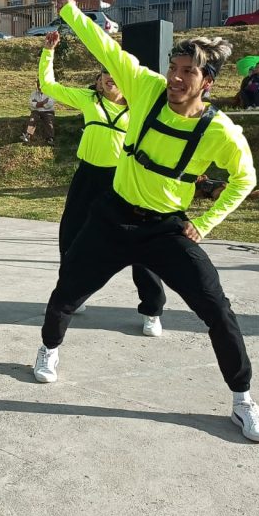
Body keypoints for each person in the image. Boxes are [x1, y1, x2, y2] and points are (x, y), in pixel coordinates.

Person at [33, 0, 259, 444]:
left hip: (165, 227)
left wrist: (206, 222)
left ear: (208, 82)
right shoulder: (144, 89)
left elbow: (245, 179)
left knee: (216, 308)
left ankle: (243, 400)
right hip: (111, 215)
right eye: (174, 68)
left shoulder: (221, 131)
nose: (177, 79)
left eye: (188, 72)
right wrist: (69, 12)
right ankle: (48, 350)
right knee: (67, 290)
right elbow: (105, 48)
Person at [38, 30, 166, 336]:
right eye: (105, 73)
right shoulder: (88, 99)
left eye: (116, 73)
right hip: (88, 177)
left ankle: (152, 310)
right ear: (98, 80)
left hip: (125, 181)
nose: (110, 78)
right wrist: (48, 52)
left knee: (141, 244)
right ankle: (72, 294)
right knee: (71, 237)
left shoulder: (140, 105)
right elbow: (48, 86)